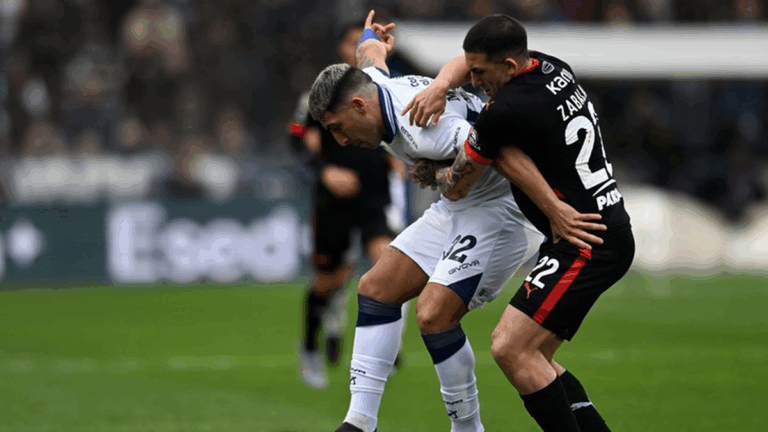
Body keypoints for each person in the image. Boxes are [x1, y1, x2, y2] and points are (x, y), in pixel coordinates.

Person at [308, 11, 595, 432]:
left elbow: (501, 150)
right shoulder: (374, 84)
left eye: (338, 128)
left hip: (500, 212)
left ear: (357, 105)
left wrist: (554, 209)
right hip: (457, 207)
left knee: (433, 315)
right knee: (375, 289)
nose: (341, 141)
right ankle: (360, 422)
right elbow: (368, 56)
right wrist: (374, 36)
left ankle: (468, 428)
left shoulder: (426, 128)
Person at [403, 14, 636, 432]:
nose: (473, 81)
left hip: (584, 240)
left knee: (511, 348)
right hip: (603, 226)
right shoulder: (551, 67)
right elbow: (508, 144)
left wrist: (430, 171)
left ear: (508, 67)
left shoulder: (504, 111)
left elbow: (457, 186)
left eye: (480, 72)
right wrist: (441, 85)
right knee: (535, 357)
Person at [288, 18, 408, 390]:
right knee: (330, 279)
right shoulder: (317, 97)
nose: (358, 48)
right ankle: (309, 346)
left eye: (363, 42)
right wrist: (324, 172)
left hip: (375, 192)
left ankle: (381, 349)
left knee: (390, 263)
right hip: (334, 198)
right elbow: (296, 142)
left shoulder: (384, 86)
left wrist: (400, 159)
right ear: (342, 48)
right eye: (352, 42)